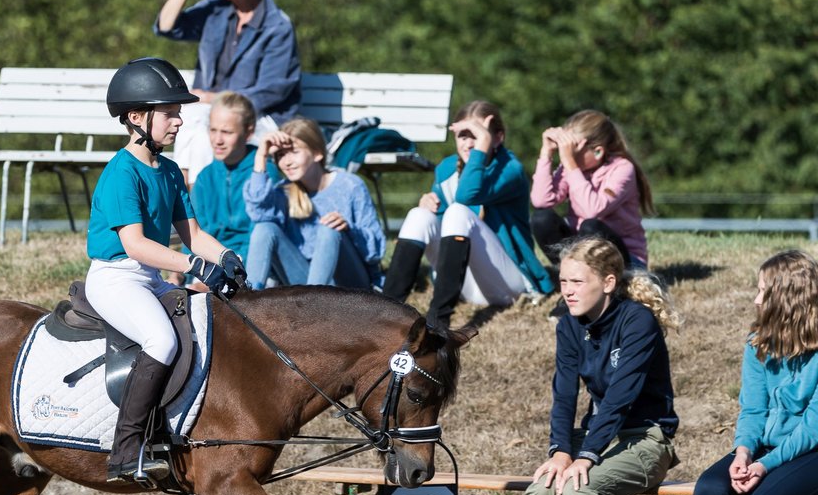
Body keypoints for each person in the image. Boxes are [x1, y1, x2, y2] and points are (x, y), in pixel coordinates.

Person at [86, 57, 244, 485]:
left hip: (149, 276)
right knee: (160, 338)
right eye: (170, 113)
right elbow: (135, 244)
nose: (178, 122)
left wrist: (226, 256)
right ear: (136, 117)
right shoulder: (121, 173)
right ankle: (128, 450)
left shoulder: (170, 171)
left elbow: (192, 234)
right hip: (116, 277)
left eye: (178, 113)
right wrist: (194, 266)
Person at [510, 236, 680, 495]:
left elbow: (621, 397)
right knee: (544, 486)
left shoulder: (637, 322)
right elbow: (564, 395)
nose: (568, 291)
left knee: (576, 488)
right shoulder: (569, 324)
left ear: (608, 283)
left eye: (577, 282)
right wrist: (560, 451)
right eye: (563, 282)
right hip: (596, 437)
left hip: (645, 440)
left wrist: (586, 455)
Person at [685, 250, 818, 495]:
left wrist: (764, 465)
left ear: (787, 300)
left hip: (810, 452)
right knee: (709, 488)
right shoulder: (757, 344)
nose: (756, 299)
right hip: (767, 448)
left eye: (763, 291)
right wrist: (743, 453)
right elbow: (753, 410)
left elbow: (812, 429)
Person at [383, 100, 553, 330]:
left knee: (458, 210)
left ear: (498, 138)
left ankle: (438, 321)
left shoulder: (509, 169)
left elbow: (466, 196)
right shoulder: (446, 168)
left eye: (478, 135)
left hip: (507, 284)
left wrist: (482, 147)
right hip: (465, 285)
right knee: (418, 215)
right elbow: (443, 224)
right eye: (463, 135)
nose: (470, 143)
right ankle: (385, 311)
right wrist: (428, 204)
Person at [154, 0, 301, 184]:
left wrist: (213, 99)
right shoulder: (217, 8)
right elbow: (166, 26)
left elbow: (271, 91)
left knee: (206, 138)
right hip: (208, 113)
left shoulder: (277, 25)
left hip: (257, 117)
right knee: (185, 118)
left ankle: (190, 205)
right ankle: (188, 202)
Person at [242, 117, 384, 289]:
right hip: (305, 283)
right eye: (280, 155)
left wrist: (348, 230)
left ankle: (313, 310)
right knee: (264, 228)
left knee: (329, 229)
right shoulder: (284, 191)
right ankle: (246, 302)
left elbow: (375, 251)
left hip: (350, 287)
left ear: (317, 153)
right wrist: (261, 156)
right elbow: (258, 214)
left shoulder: (350, 185)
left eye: (294, 152)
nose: (286, 162)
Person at [531, 109, 655, 270]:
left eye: (572, 148)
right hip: (585, 252)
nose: (566, 153)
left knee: (591, 227)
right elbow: (541, 200)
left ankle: (614, 283)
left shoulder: (622, 168)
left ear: (598, 151)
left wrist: (570, 163)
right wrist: (546, 153)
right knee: (542, 218)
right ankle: (573, 275)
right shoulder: (571, 167)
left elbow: (593, 210)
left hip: (626, 260)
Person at [189, 91, 259, 264]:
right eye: (213, 130)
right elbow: (193, 233)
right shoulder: (205, 178)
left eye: (227, 132)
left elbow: (259, 235)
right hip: (210, 264)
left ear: (248, 132)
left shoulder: (262, 172)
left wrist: (231, 271)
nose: (217, 140)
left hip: (251, 264)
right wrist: (180, 274)